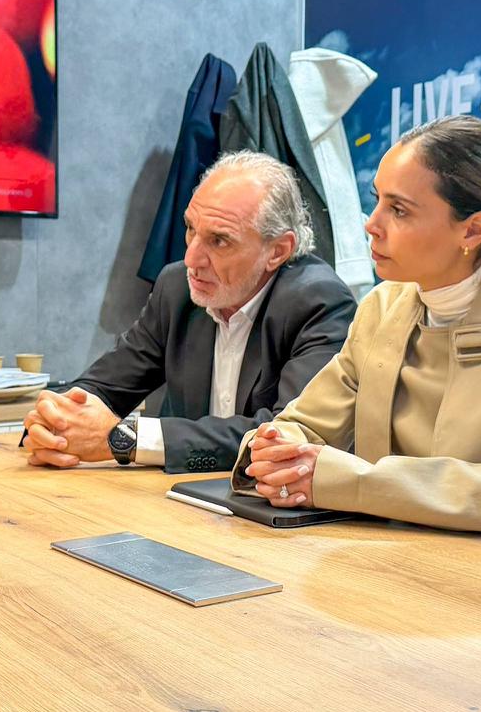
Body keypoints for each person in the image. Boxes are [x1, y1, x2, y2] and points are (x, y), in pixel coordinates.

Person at [238, 115, 481, 553]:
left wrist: (342, 481)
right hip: (399, 562)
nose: (372, 224)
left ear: (473, 230)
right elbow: (304, 425)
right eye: (377, 200)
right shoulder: (381, 307)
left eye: (399, 210)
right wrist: (277, 451)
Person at [23, 151, 355, 472]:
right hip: (176, 499)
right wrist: (54, 420)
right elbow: (103, 386)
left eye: (219, 241)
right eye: (191, 229)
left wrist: (127, 440)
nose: (192, 259)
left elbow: (285, 435)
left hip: (269, 503)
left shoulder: (319, 302)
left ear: (278, 251)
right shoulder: (176, 288)